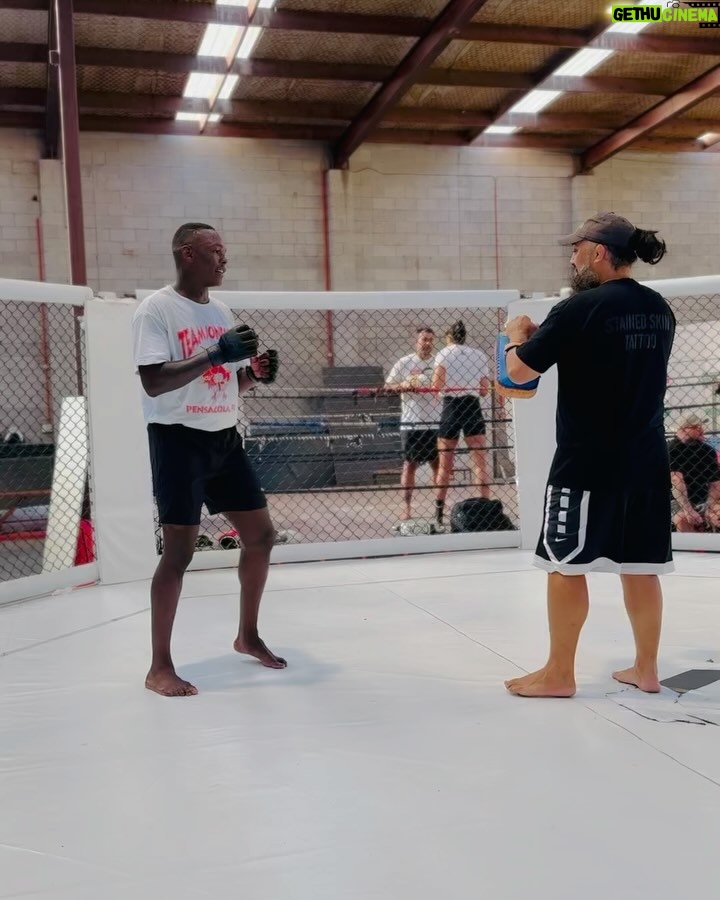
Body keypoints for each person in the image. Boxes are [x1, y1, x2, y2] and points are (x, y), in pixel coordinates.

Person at [501, 212, 675, 698]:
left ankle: (559, 673)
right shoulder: (660, 308)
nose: (571, 256)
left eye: (576, 248)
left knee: (564, 564)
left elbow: (517, 371)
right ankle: (646, 669)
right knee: (640, 566)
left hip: (586, 462)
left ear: (599, 252)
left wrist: (517, 334)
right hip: (646, 459)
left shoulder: (578, 308)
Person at [131, 222, 285, 698]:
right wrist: (216, 351)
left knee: (261, 536)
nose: (224, 258)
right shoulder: (155, 309)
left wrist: (253, 376)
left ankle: (248, 634)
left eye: (224, 250)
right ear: (187, 254)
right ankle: (159, 666)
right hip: (178, 441)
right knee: (178, 553)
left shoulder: (221, 310)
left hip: (223, 438)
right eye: (214, 250)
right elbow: (154, 381)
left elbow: (225, 381)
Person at [432, 320, 491, 526]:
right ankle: (485, 508)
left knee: (445, 465)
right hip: (472, 406)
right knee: (479, 462)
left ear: (449, 337)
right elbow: (484, 389)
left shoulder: (444, 353)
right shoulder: (479, 355)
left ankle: (439, 514)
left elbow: (437, 384)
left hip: (451, 407)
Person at [384, 327, 441, 520]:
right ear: (416, 341)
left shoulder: (438, 362)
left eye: (430, 340)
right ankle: (406, 509)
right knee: (409, 465)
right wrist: (405, 385)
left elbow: (444, 386)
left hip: (435, 422)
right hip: (411, 423)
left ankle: (439, 509)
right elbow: (387, 386)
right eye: (424, 339)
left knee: (438, 465)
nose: (427, 343)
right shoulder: (404, 363)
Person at [668, 413, 720, 532]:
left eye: (701, 426)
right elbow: (676, 480)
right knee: (682, 518)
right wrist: (688, 510)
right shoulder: (673, 449)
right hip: (676, 500)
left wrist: (710, 505)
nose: (701, 429)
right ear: (684, 428)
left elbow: (715, 483)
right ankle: (691, 549)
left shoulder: (707, 451)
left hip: (703, 498)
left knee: (717, 513)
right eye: (696, 427)